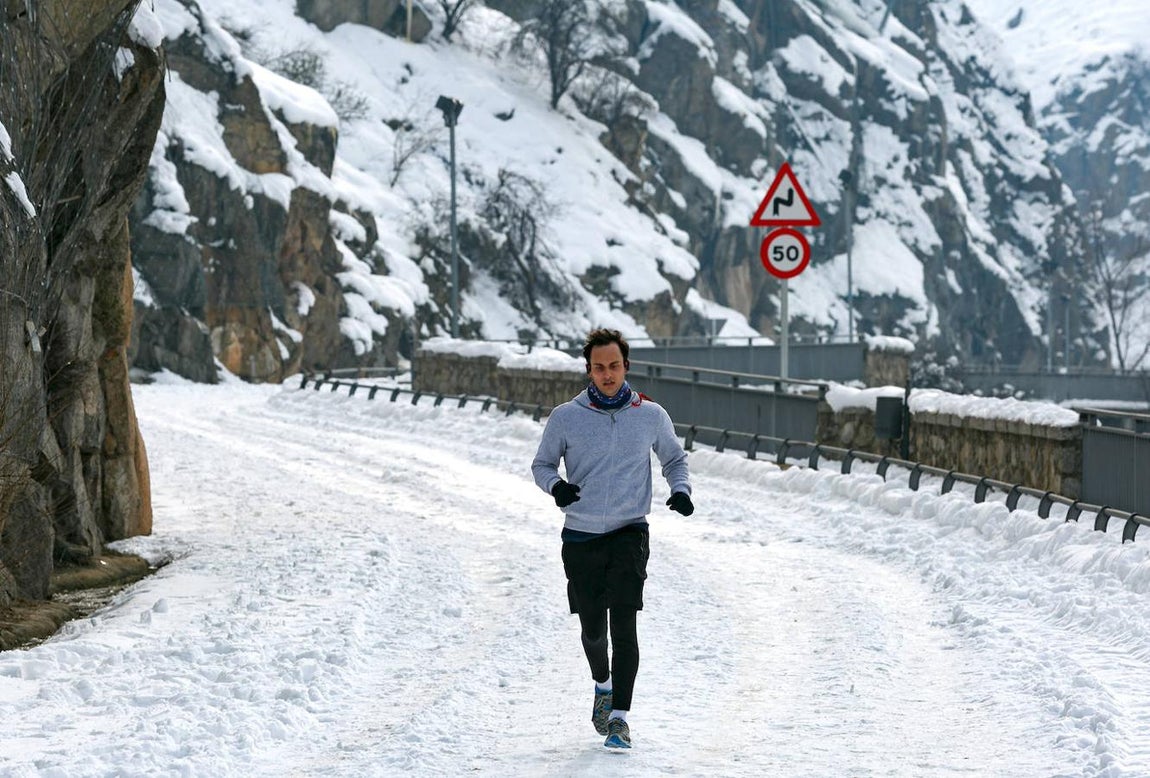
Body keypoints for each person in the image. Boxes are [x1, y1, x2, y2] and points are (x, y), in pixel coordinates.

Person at [531, 328, 694, 750]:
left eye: (614, 366)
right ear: (589, 370)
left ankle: (619, 717)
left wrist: (681, 490)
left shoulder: (650, 415)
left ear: (626, 367)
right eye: (599, 367)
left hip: (629, 531)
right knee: (592, 629)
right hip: (581, 535)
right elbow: (542, 465)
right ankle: (602, 686)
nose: (607, 374)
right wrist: (557, 488)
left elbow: (674, 458)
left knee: (623, 623)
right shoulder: (566, 416)